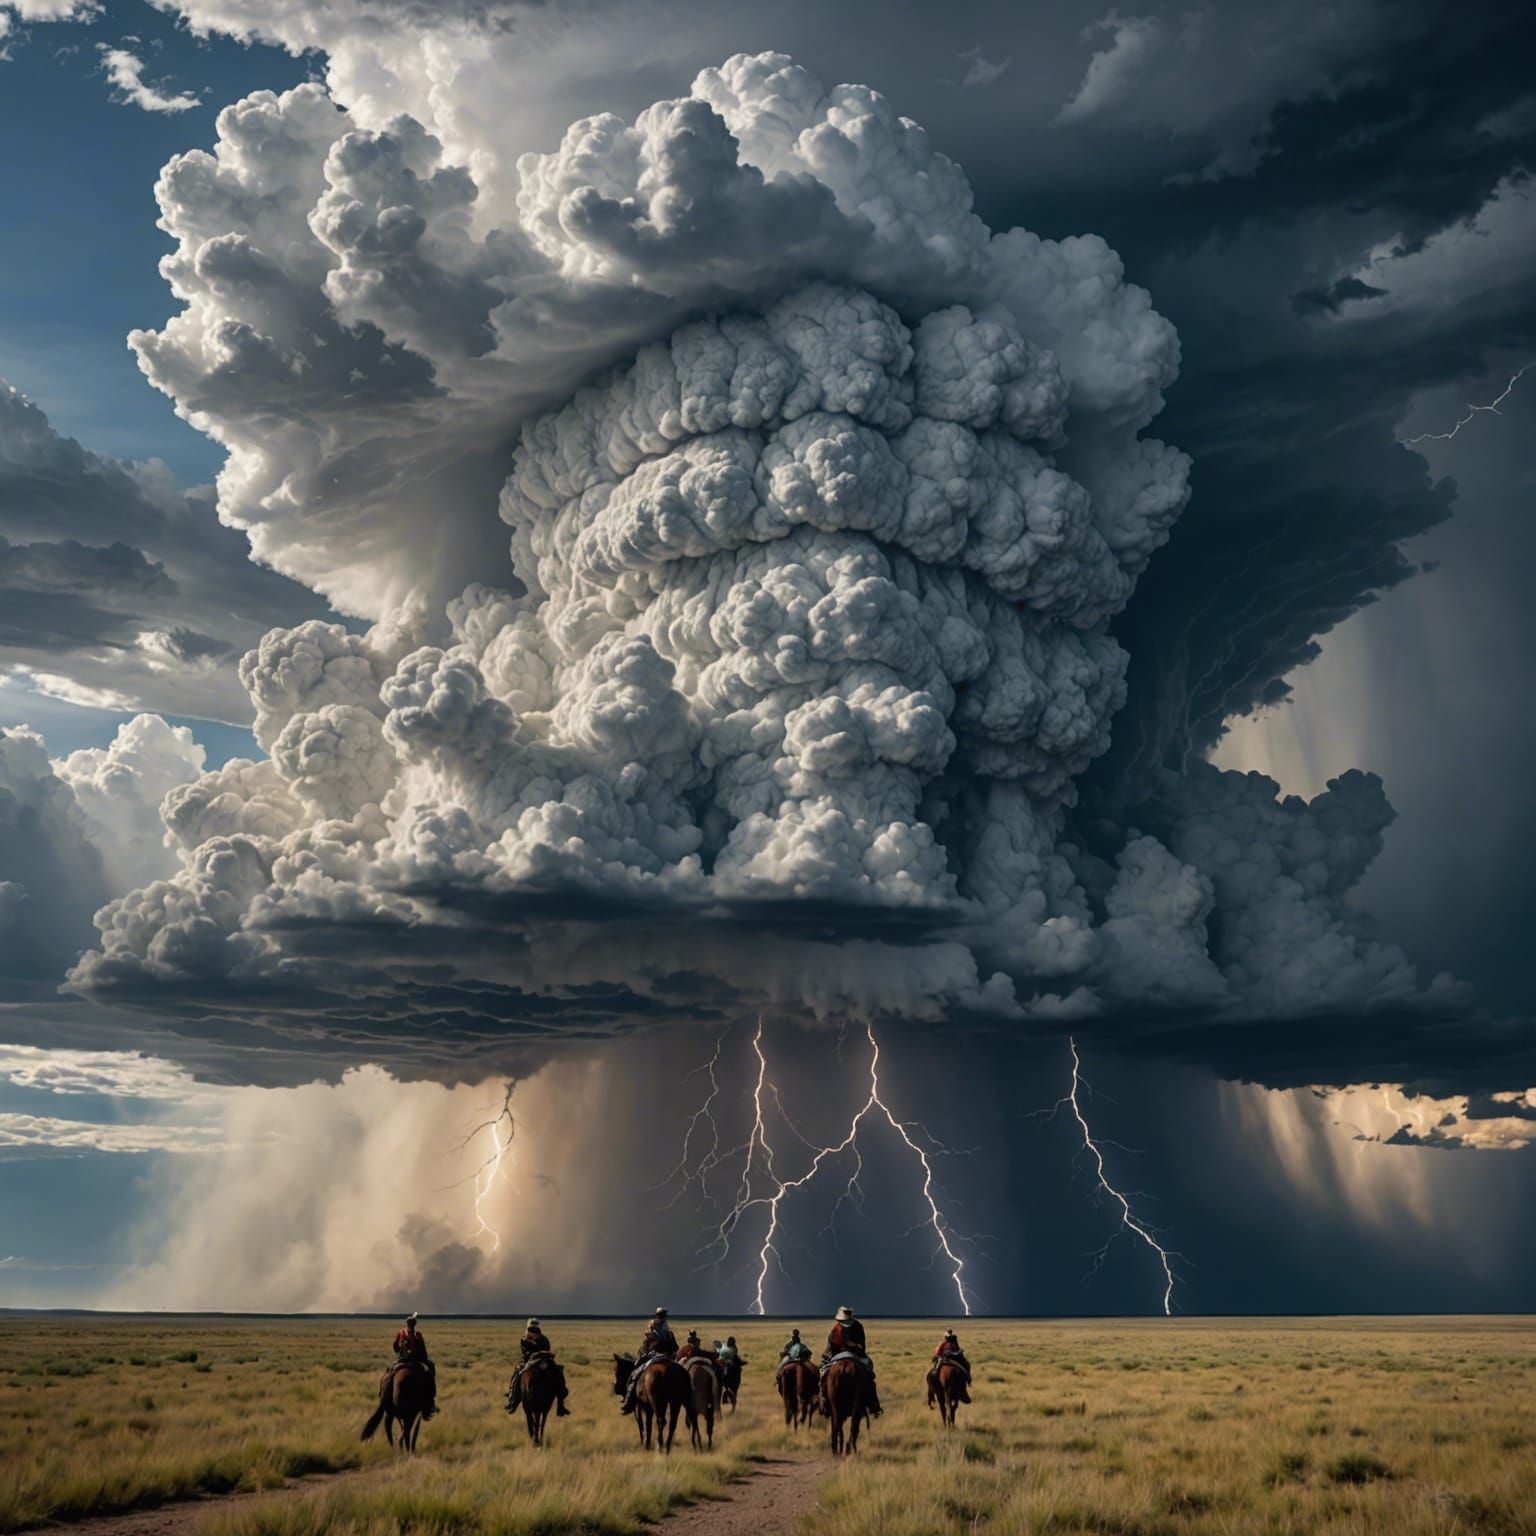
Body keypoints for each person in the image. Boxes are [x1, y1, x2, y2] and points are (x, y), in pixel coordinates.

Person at [820, 1305, 880, 1417]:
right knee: (869, 1374)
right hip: (855, 1355)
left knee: (824, 1375)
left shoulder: (836, 1328)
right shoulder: (858, 1326)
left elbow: (830, 1346)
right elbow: (862, 1345)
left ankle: (824, 1402)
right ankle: (873, 1404)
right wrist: (856, 1348)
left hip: (837, 1355)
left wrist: (826, 1356)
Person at [507, 1316, 569, 1416]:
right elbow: (525, 1353)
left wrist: (545, 1356)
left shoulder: (543, 1339)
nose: (533, 1330)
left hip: (544, 1361)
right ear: (528, 1328)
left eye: (535, 1328)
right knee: (517, 1374)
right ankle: (513, 1399)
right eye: (532, 1328)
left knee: (558, 1372)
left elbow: (548, 1350)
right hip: (529, 1361)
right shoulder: (524, 1339)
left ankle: (560, 1403)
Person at [621, 1307, 678, 1414]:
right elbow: (676, 1347)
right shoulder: (668, 1332)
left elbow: (645, 1349)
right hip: (667, 1358)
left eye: (662, 1316)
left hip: (652, 1357)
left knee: (635, 1374)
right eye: (662, 1316)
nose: (662, 1318)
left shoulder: (650, 1333)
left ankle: (628, 1402)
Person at [388, 1312, 436, 1418]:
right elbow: (424, 1351)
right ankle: (430, 1401)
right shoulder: (418, 1335)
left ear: (407, 1323)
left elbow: (395, 1347)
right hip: (415, 1360)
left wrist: (401, 1350)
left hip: (402, 1360)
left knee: (389, 1372)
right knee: (431, 1368)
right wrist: (425, 1359)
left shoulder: (401, 1332)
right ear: (415, 1324)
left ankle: (384, 1397)